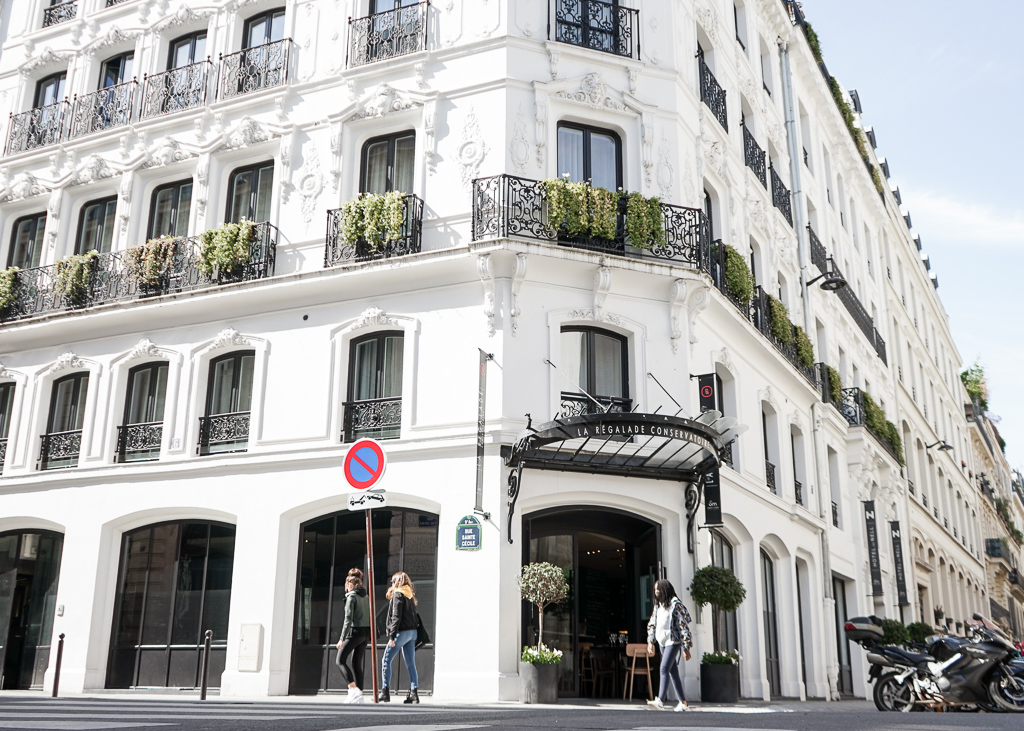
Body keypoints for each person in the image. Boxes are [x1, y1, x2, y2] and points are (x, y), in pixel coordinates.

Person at [645, 578, 693, 712]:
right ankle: (683, 703)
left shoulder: (675, 605)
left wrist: (686, 647)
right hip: (662, 642)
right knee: (673, 672)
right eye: (655, 590)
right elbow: (652, 624)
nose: (656, 592)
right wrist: (650, 641)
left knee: (664, 668)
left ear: (665, 589)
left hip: (673, 641)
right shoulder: (658, 606)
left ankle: (660, 700)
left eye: (658, 589)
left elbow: (683, 627)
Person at [378, 571, 420, 704]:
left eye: (393, 581)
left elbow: (396, 616)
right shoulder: (409, 594)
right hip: (412, 633)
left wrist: (392, 636)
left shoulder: (398, 595)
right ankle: (414, 693)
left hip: (401, 632)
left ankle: (385, 691)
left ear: (397, 582)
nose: (391, 583)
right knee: (411, 663)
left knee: (386, 660)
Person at [335, 567, 371, 703]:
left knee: (340, 661)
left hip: (355, 632)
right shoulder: (366, 596)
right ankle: (359, 695)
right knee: (356, 663)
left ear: (350, 584)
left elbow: (348, 619)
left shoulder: (351, 597)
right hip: (365, 633)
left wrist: (341, 639)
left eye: (346, 584)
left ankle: (352, 689)